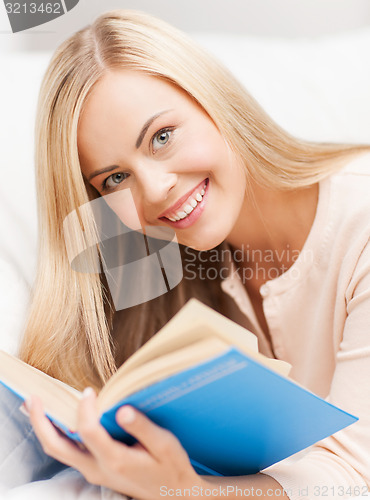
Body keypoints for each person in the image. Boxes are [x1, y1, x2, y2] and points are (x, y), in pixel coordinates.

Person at [2, 8, 370, 500]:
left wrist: (186, 492)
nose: (154, 191)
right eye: (115, 178)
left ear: (216, 103)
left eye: (162, 137)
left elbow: (355, 479)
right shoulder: (175, 263)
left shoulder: (360, 223)